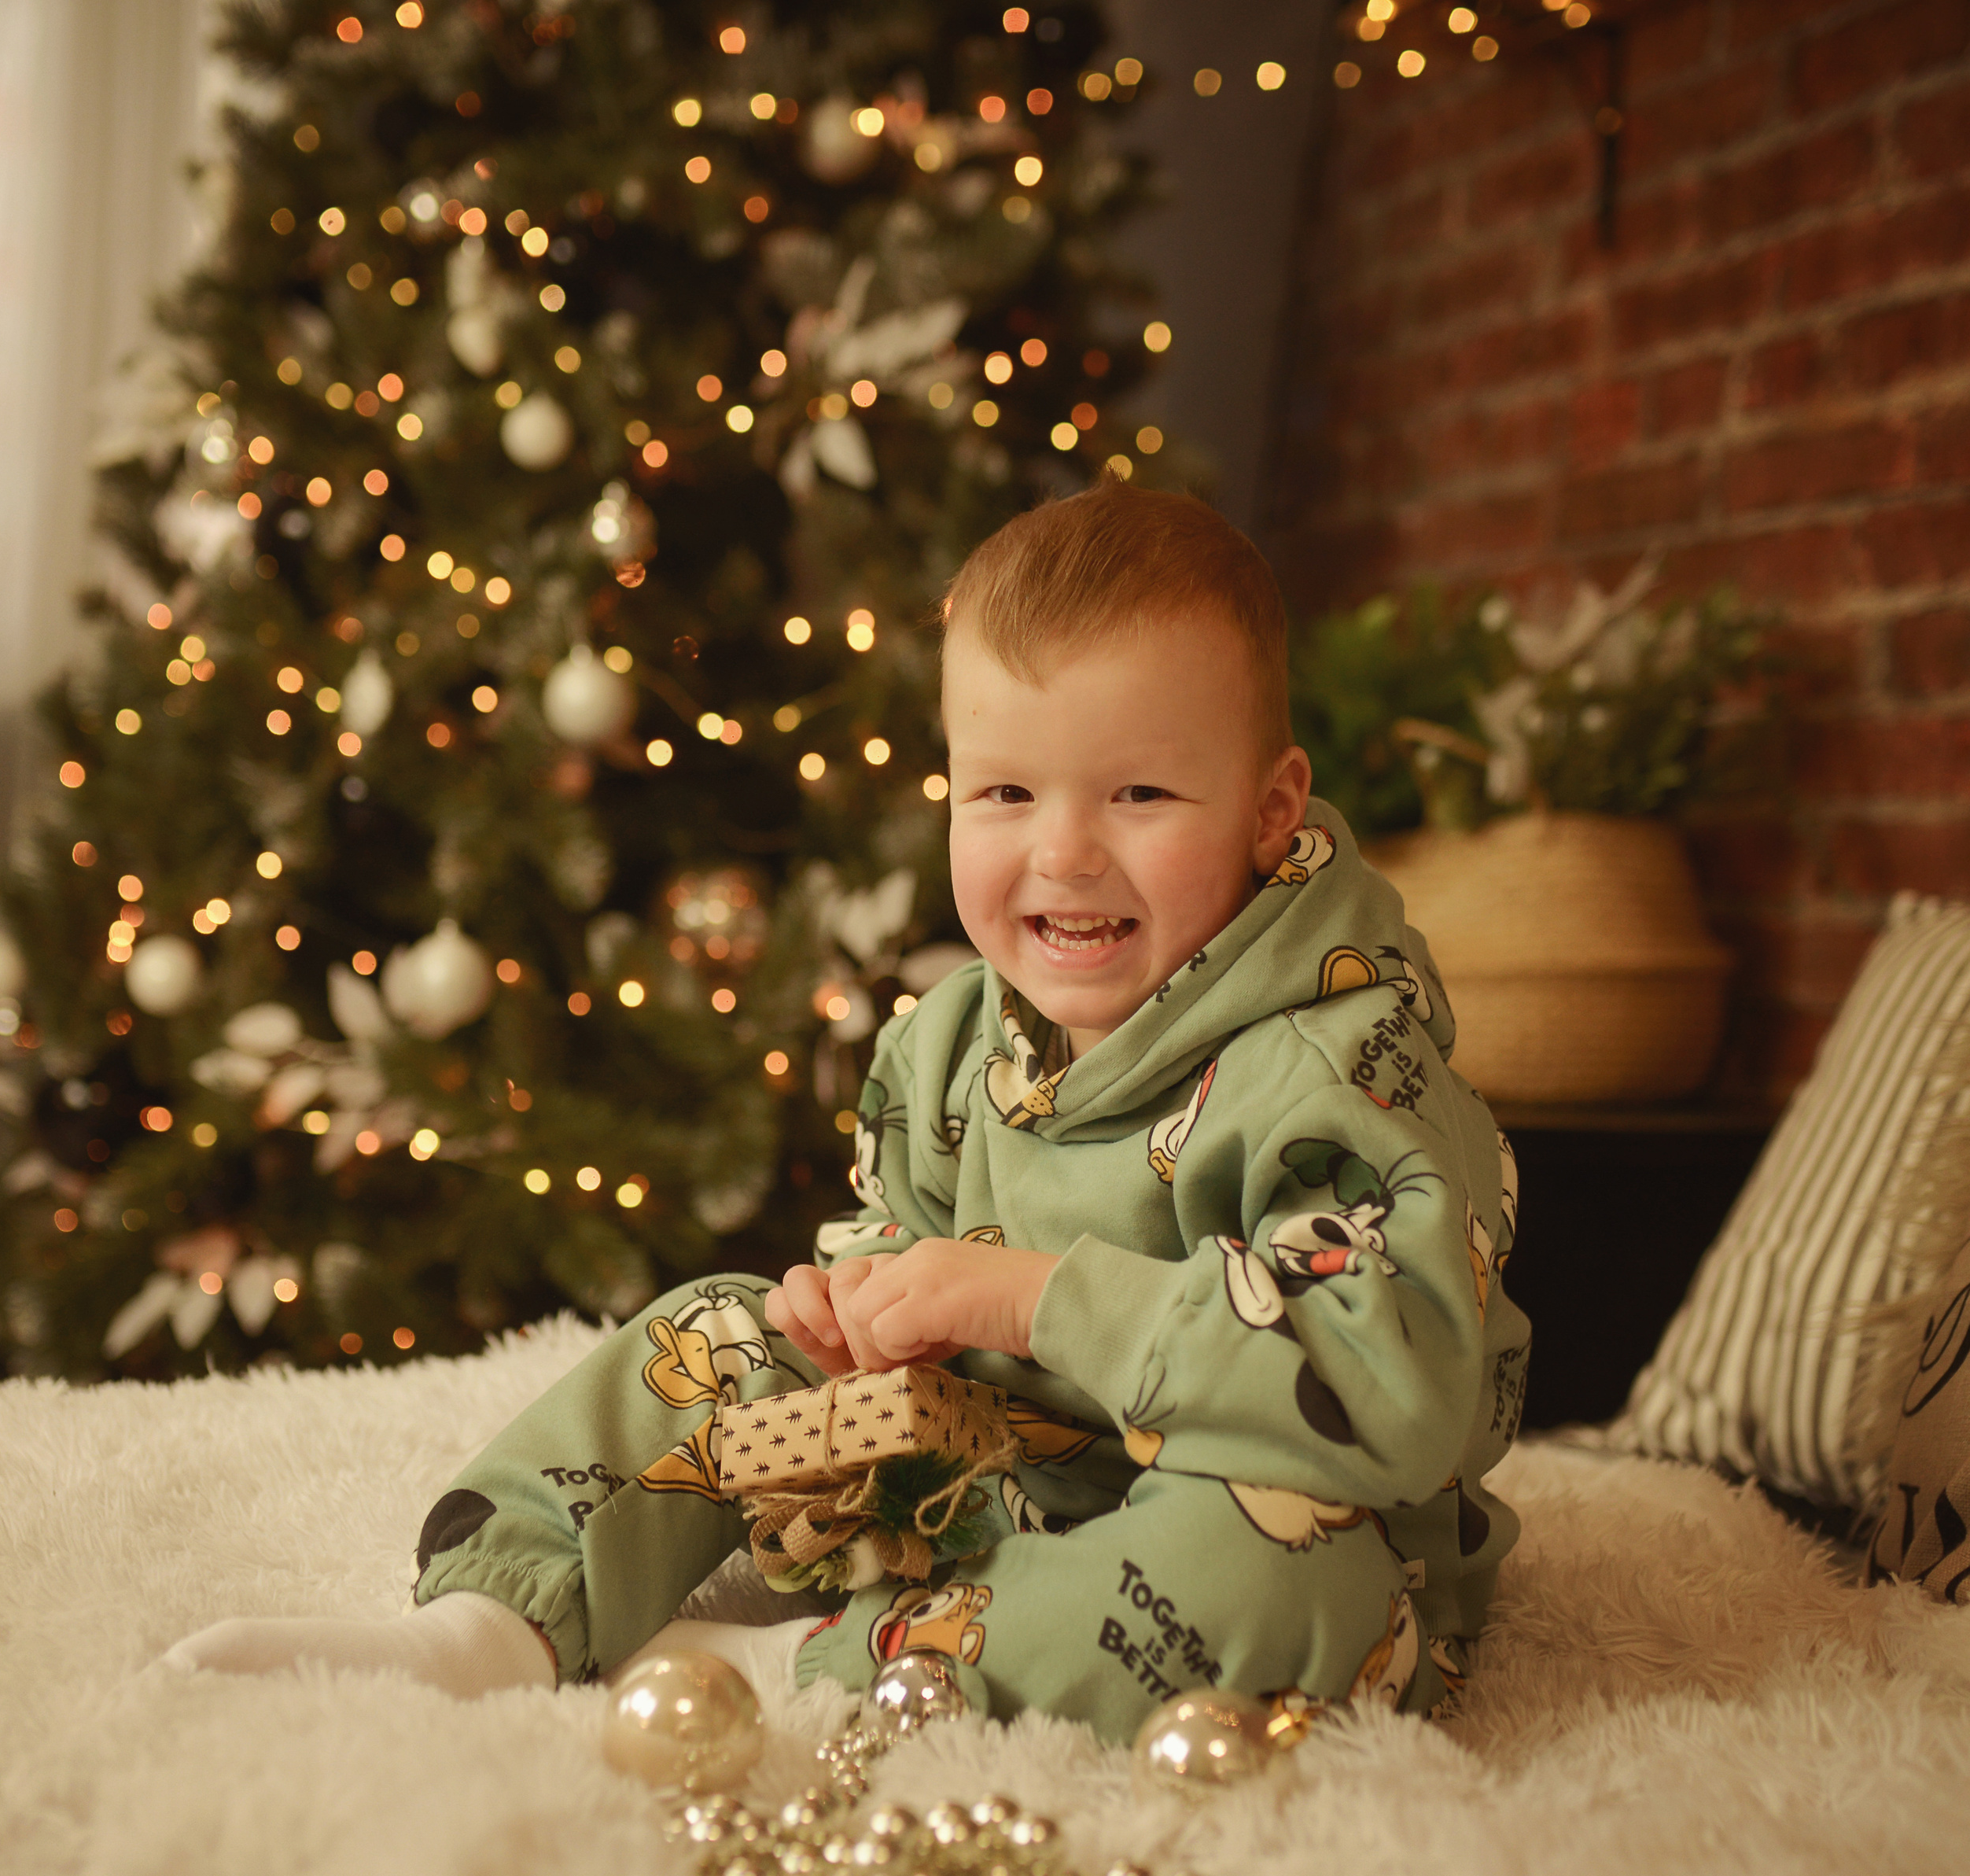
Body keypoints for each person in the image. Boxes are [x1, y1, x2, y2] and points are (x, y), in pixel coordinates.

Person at [167, 481, 1528, 1745]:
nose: (1060, 852)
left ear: (1267, 807)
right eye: (1004, 792)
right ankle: (495, 1625)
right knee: (718, 1331)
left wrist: (1030, 1300)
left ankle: (829, 1677)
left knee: (1288, 1559)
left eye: (1140, 794)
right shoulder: (949, 1040)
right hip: (979, 1485)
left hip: (1252, 1500)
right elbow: (900, 1237)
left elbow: (1392, 1387)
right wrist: (862, 1312)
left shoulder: (1339, 1065)